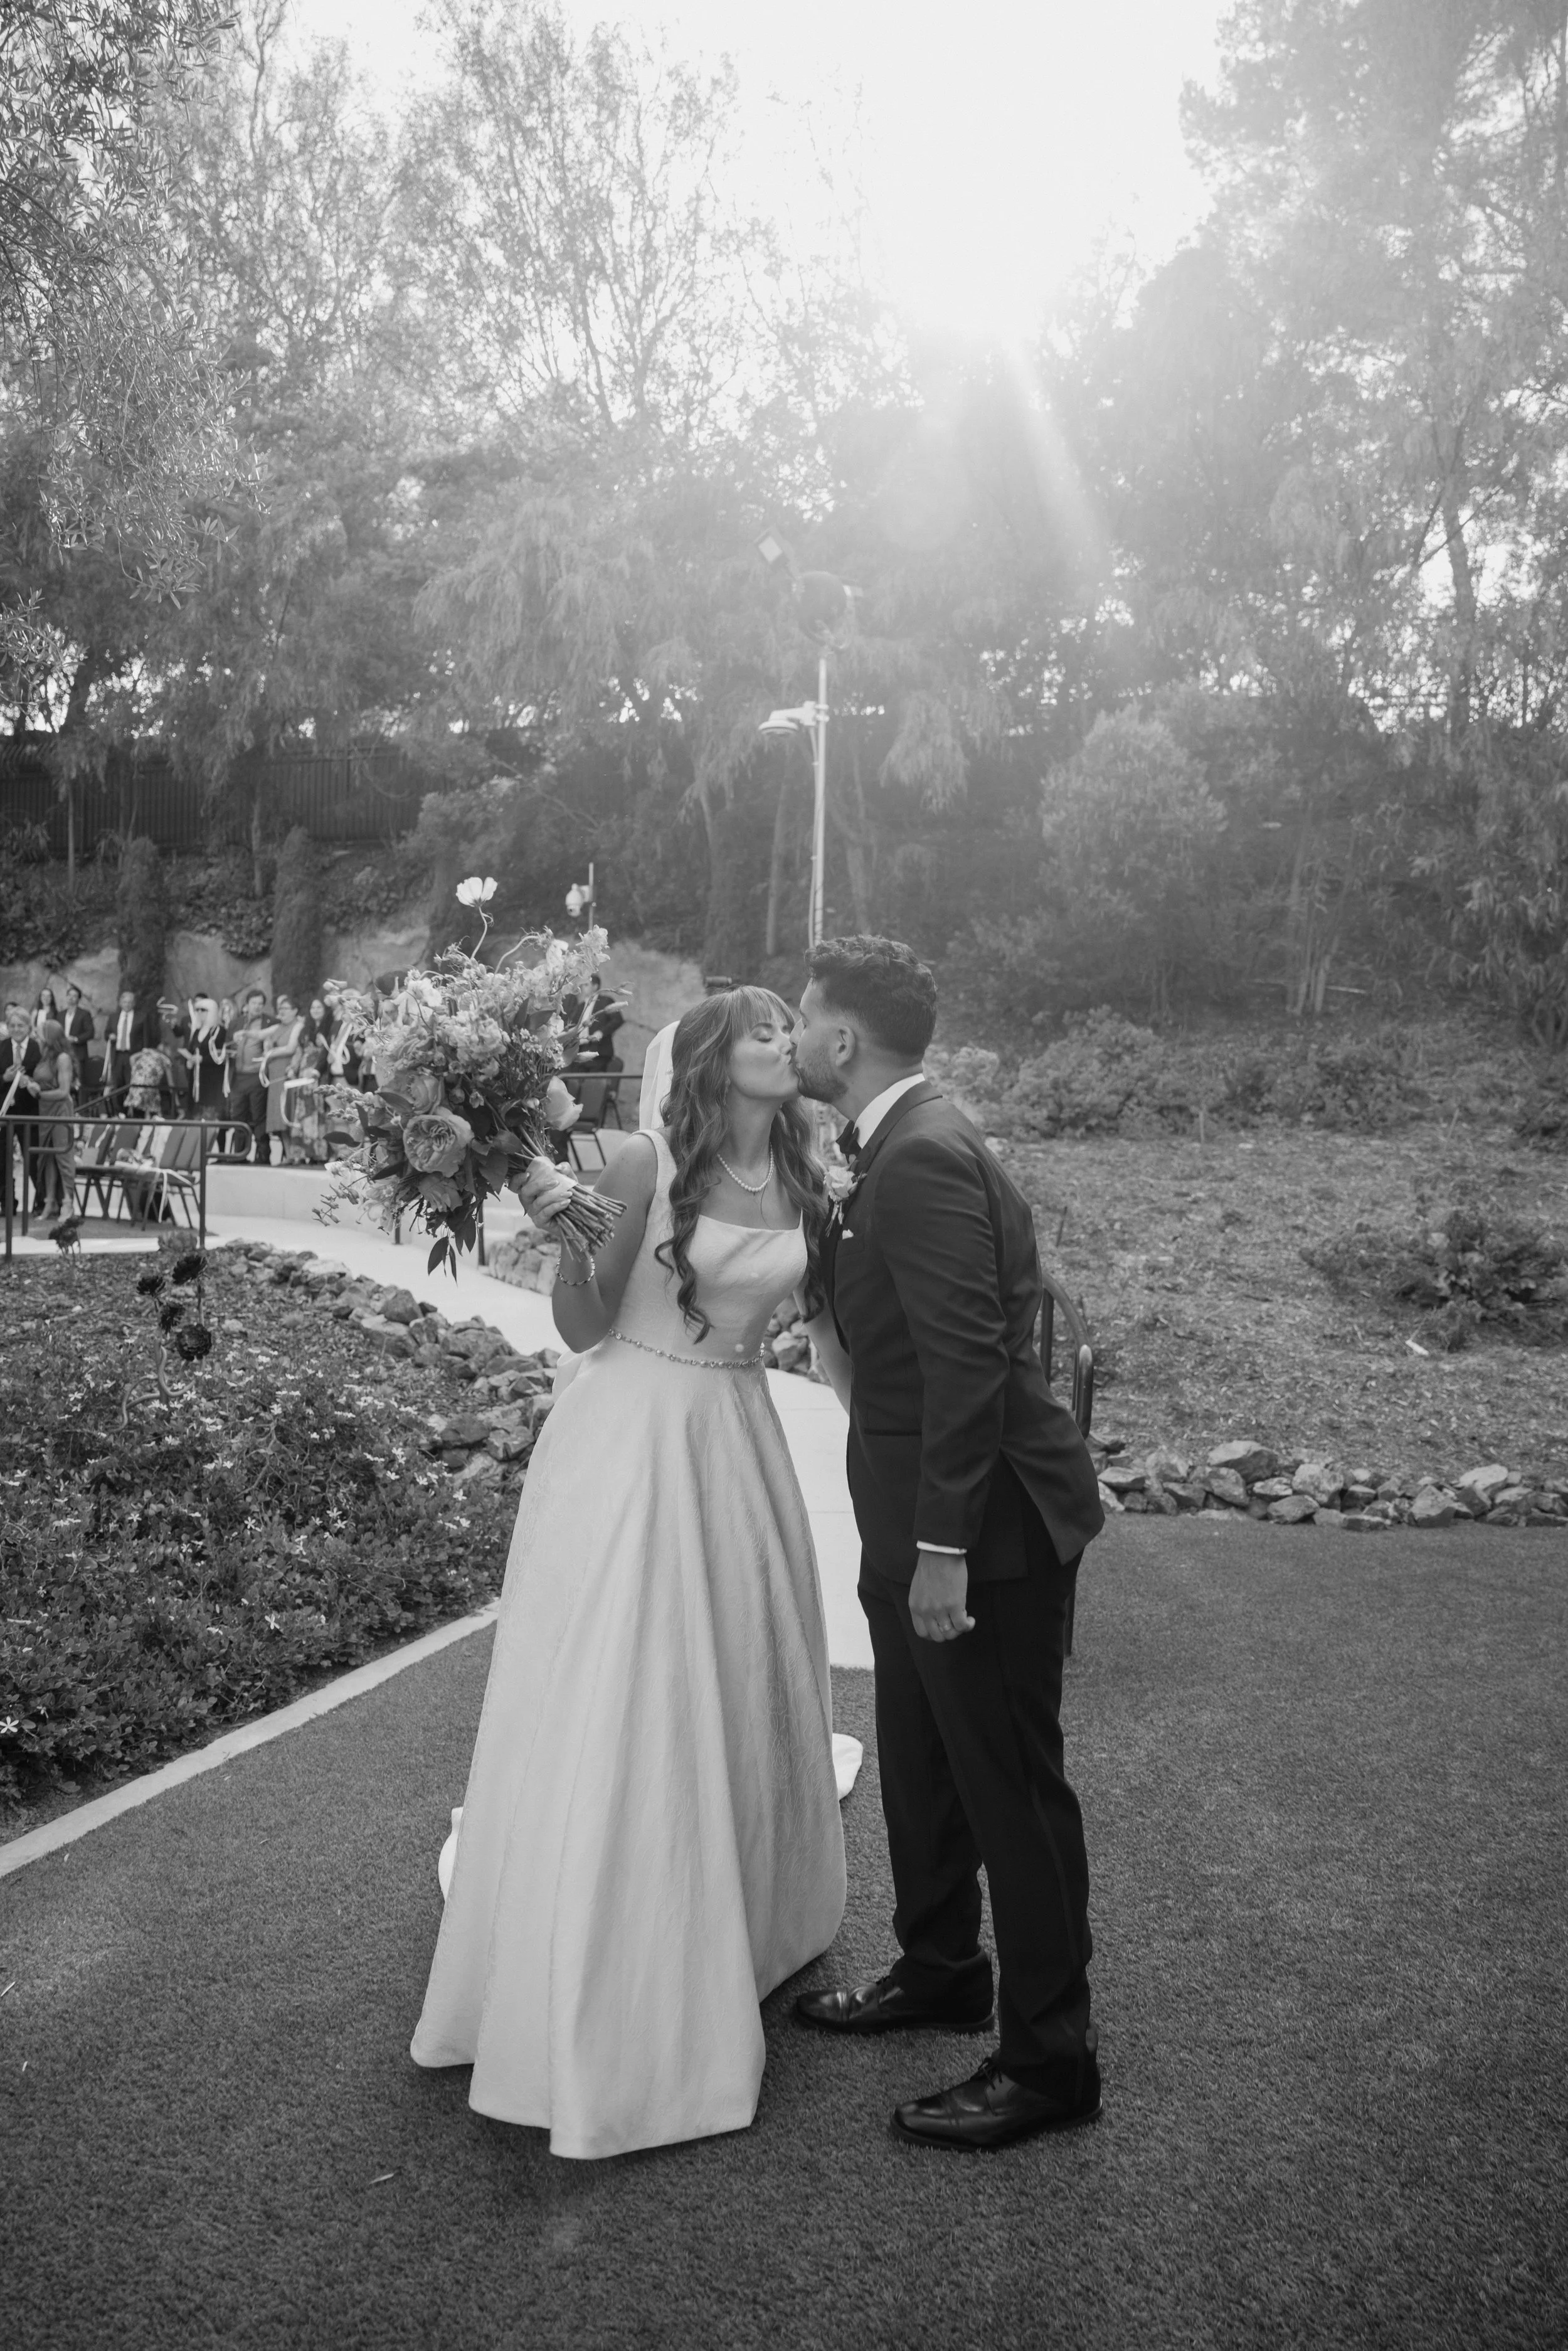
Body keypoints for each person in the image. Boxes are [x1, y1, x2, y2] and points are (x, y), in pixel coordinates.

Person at [411, 987, 846, 2159]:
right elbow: (583, 1327)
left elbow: (826, 1327)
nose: (785, 1041)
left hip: (739, 1439)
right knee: (634, 1681)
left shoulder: (805, 1168)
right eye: (762, 1030)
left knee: (737, 1669)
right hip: (633, 1436)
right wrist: (569, 1229)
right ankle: (607, 1927)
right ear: (709, 1061)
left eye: (786, 1027)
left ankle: (734, 1909)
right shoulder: (648, 1161)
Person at [789, 935, 1106, 2151]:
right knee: (921, 1757)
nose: (795, 1034)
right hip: (907, 1505)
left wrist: (940, 1549)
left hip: (984, 1530)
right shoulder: (894, 1141)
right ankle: (939, 1966)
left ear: (842, 1037)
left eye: (804, 1017)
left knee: (1009, 1786)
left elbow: (969, 1362)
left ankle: (1049, 2060)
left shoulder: (920, 1152)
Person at [1, 1006, 45, 1215]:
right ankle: (7, 1202)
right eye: (12, 1026)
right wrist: (4, 1078)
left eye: (20, 1025)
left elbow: (46, 1078)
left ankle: (42, 1202)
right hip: (5, 1113)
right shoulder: (2, 1047)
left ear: (28, 1027)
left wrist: (31, 1082)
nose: (16, 1030)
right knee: (2, 1159)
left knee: (34, 1158)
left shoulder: (39, 1048)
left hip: (30, 1112)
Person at [33, 1018, 77, 1217]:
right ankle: (49, 1201)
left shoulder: (63, 1058)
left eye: (40, 1033)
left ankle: (68, 1202)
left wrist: (39, 1094)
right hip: (45, 1111)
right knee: (47, 1156)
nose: (37, 1036)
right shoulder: (44, 1055)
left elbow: (63, 1091)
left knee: (63, 1155)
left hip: (60, 1110)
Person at [259, 994, 304, 1156]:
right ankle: (288, 1154)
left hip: (288, 1076)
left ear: (295, 1010)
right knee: (278, 1117)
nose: (282, 1011)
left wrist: (270, 1053)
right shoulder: (277, 1027)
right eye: (280, 1008)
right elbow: (261, 1036)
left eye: (286, 1008)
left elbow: (293, 1049)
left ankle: (296, 1154)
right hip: (274, 1078)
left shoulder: (299, 1026)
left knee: (289, 1113)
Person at [105, 989, 149, 1108]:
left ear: (134, 1003)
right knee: (117, 1084)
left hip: (133, 1056)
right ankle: (119, 1112)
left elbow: (146, 1038)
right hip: (118, 1055)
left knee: (133, 1083)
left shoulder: (141, 1017)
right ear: (120, 1003)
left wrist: (143, 1056)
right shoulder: (113, 1017)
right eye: (125, 1002)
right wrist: (110, 1036)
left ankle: (133, 1111)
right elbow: (106, 1034)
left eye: (130, 1002)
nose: (127, 1005)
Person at [155, 997, 192, 1119]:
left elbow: (177, 1034)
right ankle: (167, 1110)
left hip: (171, 1050)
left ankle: (179, 1109)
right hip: (164, 1049)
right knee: (164, 1080)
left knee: (173, 1080)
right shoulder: (162, 1019)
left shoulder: (174, 1017)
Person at [62, 985, 95, 1100]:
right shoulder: (61, 1014)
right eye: (69, 995)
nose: (71, 998)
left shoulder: (84, 1014)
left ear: (79, 999)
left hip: (78, 1053)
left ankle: (82, 1107)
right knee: (63, 1081)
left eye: (75, 996)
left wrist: (76, 1039)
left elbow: (90, 1032)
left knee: (80, 1082)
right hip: (63, 1052)